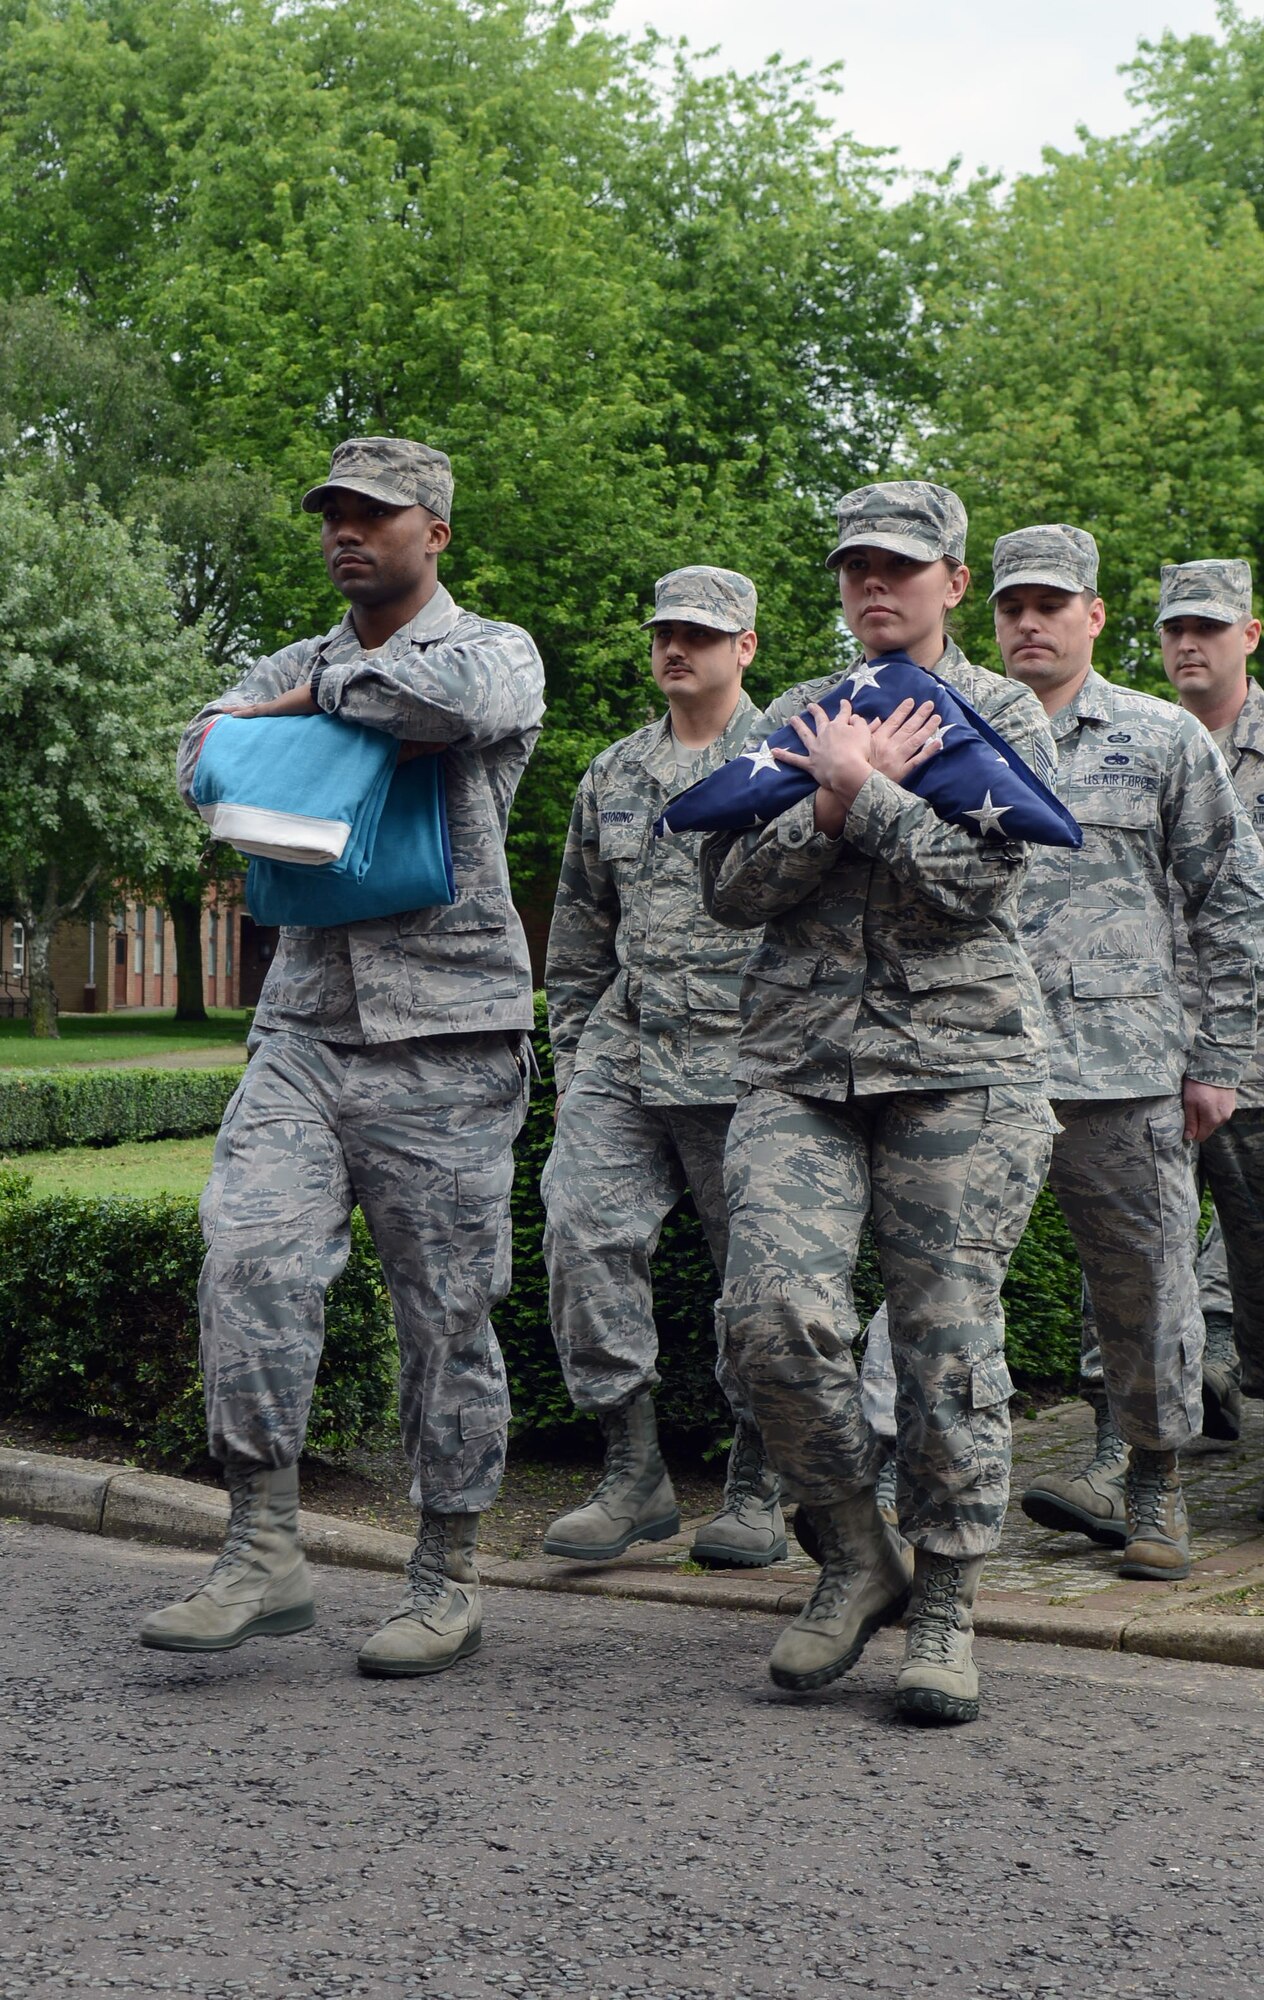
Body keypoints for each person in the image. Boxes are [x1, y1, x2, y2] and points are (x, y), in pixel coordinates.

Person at [141, 436, 545, 1677]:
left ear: (436, 531)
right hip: (305, 1026)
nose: (344, 533)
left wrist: (307, 711)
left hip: (451, 1037)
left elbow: (455, 707)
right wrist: (313, 704)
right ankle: (262, 1546)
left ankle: (446, 1576)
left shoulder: (496, 648)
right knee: (248, 1252)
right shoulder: (294, 657)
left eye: (374, 513)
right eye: (331, 514)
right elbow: (200, 754)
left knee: (447, 1314)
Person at [703, 481, 1057, 1726]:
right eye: (856, 565)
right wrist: (823, 798)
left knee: (943, 1336)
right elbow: (728, 891)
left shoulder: (1002, 710)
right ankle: (856, 1549)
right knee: (768, 1313)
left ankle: (946, 1597)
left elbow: (984, 882)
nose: (873, 584)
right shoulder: (796, 716)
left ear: (952, 581)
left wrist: (876, 791)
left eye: (899, 566)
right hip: (800, 1065)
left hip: (962, 1063)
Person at [992, 531, 1264, 1578]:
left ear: (1093, 616)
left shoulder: (1155, 737)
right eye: (1012, 606)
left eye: (1051, 604)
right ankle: (908, 1486)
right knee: (943, 1285)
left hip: (1143, 1057)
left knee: (1162, 1281)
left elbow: (1231, 898)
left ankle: (1157, 1473)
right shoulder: (955, 730)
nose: (1029, 623)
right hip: (990, 1057)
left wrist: (1220, 1052)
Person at [541, 566, 787, 1567]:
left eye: (700, 633)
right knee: (579, 1228)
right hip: (628, 1047)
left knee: (763, 1281)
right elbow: (578, 929)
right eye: (663, 633)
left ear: (745, 646)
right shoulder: (614, 772)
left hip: (750, 1058)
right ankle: (633, 1470)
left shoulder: (788, 760)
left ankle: (761, 1484)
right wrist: (573, 1054)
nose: (675, 647)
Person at [1159, 562, 1264, 1466]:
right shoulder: (1143, 744)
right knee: (1138, 1248)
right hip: (1152, 1039)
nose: (1189, 644)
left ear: (1250, 635)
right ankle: (1135, 1445)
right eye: (1175, 629)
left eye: (1209, 627)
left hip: (1253, 1037)